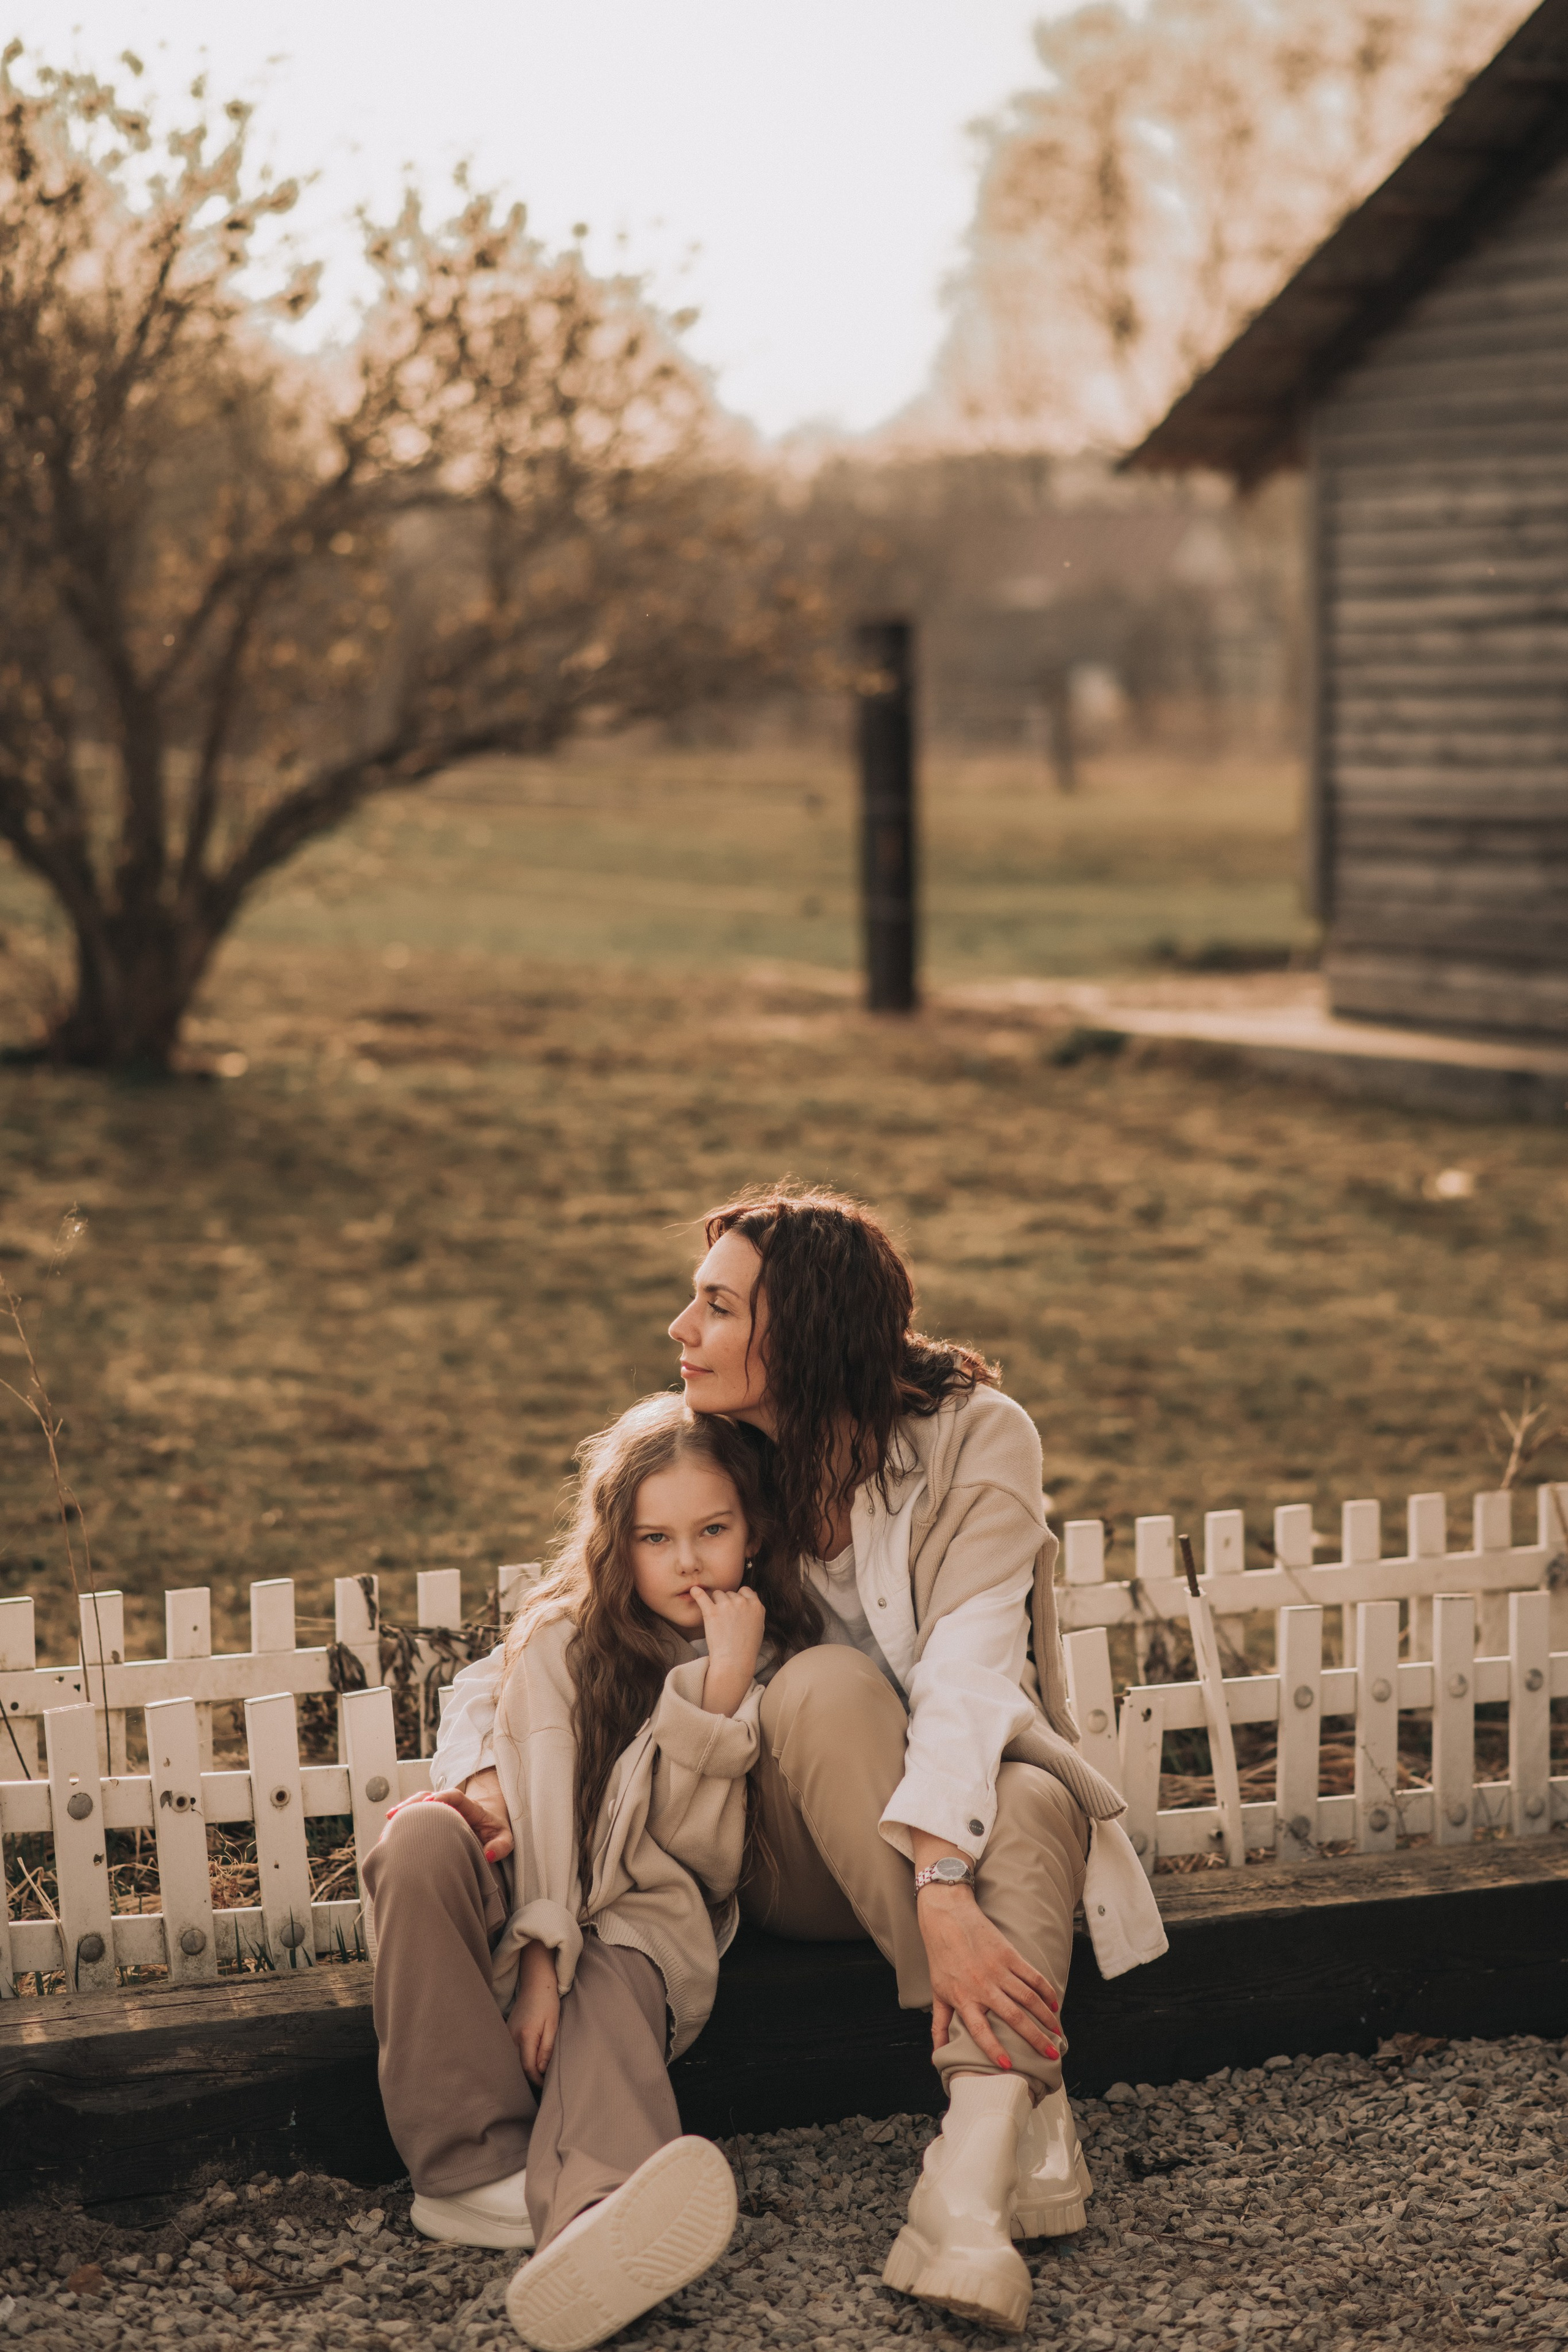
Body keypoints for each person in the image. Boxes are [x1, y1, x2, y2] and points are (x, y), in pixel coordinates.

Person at [435, 1186, 1167, 2337]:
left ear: (806, 1332)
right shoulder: (719, 1460)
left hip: (953, 1834)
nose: (681, 1329)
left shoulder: (979, 1438)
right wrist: (479, 1772)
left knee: (1032, 1784)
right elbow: (545, 1638)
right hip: (787, 1856)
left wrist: (939, 1883)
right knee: (824, 1688)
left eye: (717, 1307)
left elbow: (974, 1682)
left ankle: (969, 2181)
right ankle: (1031, 2106)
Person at [363, 1392, 819, 2352]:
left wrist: (722, 1695)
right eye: (657, 1537)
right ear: (620, 1543)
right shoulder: (566, 1639)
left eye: (713, 1531)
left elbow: (705, 1859)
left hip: (638, 1920)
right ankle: (464, 2170)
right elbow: (533, 1792)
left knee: (611, 1967)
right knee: (418, 1843)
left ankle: (595, 2214)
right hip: (530, 1886)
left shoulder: (768, 1662)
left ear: (752, 1532)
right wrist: (539, 1954)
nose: (688, 1560)